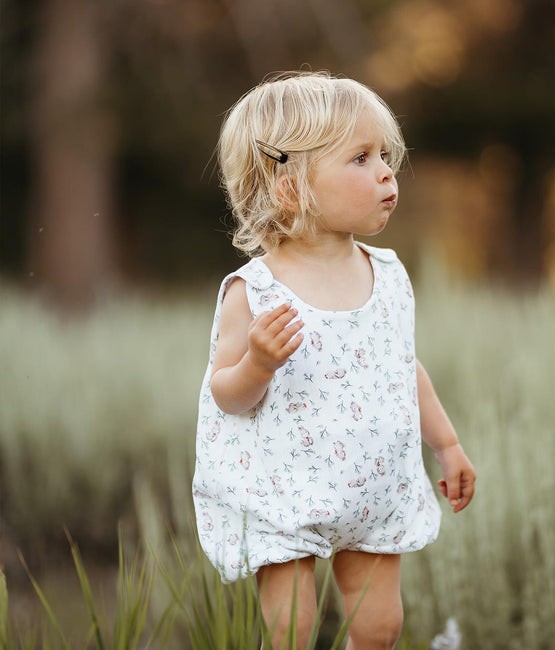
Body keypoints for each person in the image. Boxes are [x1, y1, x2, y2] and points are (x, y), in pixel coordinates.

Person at [193, 71, 476, 650]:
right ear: (290, 185)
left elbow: (403, 368)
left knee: (379, 628)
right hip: (285, 493)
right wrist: (258, 364)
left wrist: (445, 444)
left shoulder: (389, 275)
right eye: (361, 158)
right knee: (290, 628)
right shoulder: (255, 290)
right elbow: (227, 394)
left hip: (371, 488)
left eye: (386, 156)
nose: (386, 172)